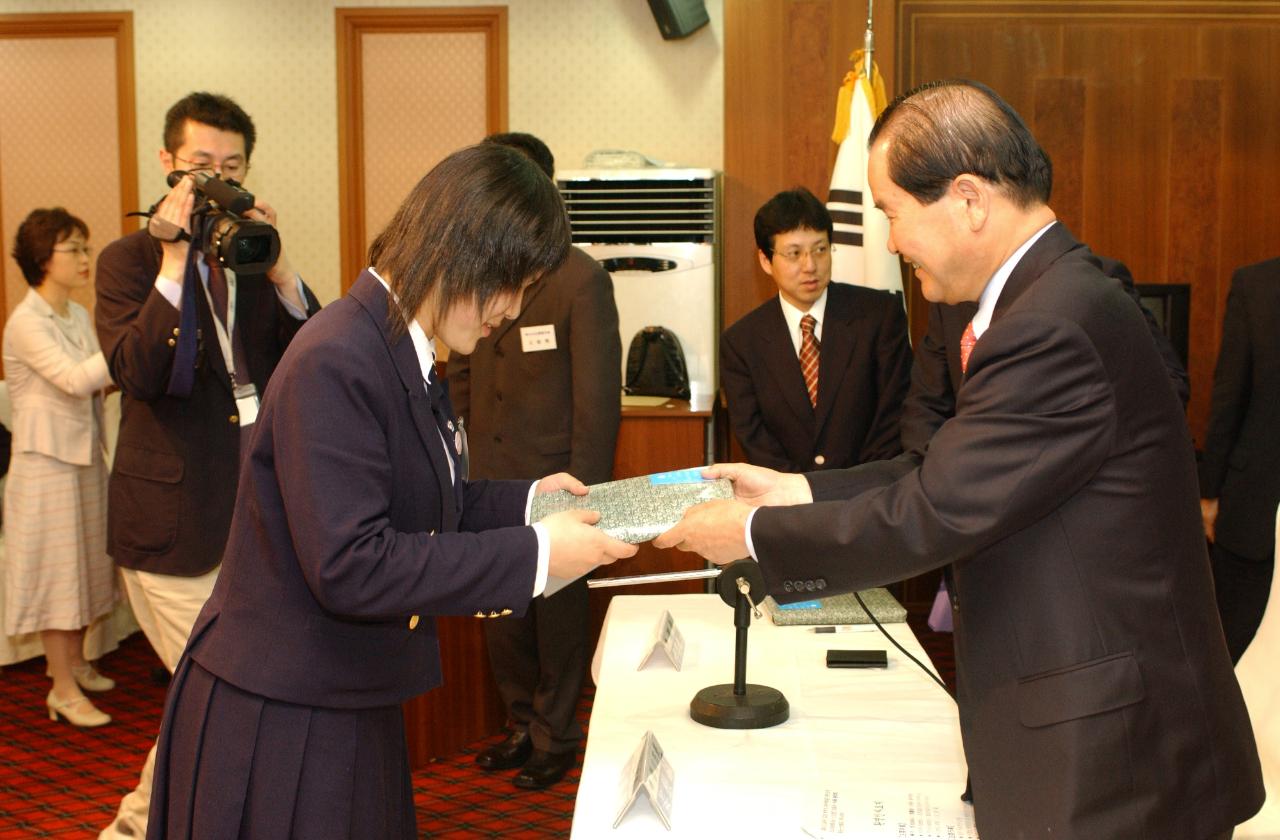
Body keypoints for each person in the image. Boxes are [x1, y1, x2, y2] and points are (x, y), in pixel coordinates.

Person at [656, 79, 1263, 838]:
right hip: (1089, 725)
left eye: (892, 213)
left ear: (968, 200)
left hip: (1119, 757)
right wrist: (794, 492)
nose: (887, 242)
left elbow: (937, 510)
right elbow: (946, 469)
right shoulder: (1044, 301)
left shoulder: (1054, 325)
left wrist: (749, 538)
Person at [145, 143, 637, 839]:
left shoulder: (399, 348)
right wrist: (536, 555)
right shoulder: (338, 357)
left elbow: (428, 501)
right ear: (470, 252)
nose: (514, 309)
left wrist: (535, 503)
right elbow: (353, 564)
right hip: (282, 709)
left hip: (342, 692)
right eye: (515, 285)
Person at [94, 91, 320, 839]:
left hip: (251, 515)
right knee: (221, 688)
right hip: (171, 525)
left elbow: (311, 365)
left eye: (231, 168)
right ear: (168, 165)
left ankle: (141, 824)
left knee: (213, 694)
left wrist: (284, 274)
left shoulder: (249, 258)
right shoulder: (126, 262)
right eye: (201, 167)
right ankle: (135, 829)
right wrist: (170, 259)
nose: (216, 182)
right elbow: (137, 372)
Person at [448, 132, 621, 790]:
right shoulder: (480, 272)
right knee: (502, 614)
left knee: (558, 616)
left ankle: (556, 733)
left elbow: (598, 400)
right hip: (490, 479)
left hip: (559, 483)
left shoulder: (581, 279)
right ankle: (519, 724)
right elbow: (461, 371)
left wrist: (586, 497)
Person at [3, 208, 115, 727]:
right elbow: (74, 379)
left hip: (83, 456)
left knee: (85, 568)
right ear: (43, 259)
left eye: (86, 248)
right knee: (56, 577)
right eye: (75, 249)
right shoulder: (26, 322)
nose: (85, 259)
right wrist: (128, 345)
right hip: (45, 467)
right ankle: (62, 688)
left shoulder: (73, 313)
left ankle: (76, 662)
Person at [721, 187, 911, 471]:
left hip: (868, 495)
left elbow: (895, 413)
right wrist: (800, 494)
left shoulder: (879, 316)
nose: (810, 265)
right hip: (787, 502)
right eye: (794, 254)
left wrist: (853, 487)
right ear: (765, 260)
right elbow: (755, 437)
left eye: (820, 250)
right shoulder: (741, 343)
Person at [1199, 256, 1280, 662]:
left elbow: (1229, 399)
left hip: (1253, 505)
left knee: (1234, 649)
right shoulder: (1254, 284)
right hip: (1254, 513)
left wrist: (1210, 494)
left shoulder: (1256, 284)